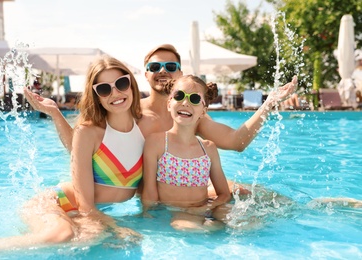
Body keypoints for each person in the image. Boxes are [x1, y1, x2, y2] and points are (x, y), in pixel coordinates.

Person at [23, 43, 297, 198]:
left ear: (180, 73)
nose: (162, 71)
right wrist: (57, 115)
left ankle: (316, 208)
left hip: (172, 191)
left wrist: (269, 104)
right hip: (131, 195)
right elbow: (81, 149)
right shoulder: (127, 110)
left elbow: (237, 142)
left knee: (251, 193)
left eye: (170, 67)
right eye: (154, 67)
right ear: (144, 75)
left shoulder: (190, 115)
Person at [0, 55, 143, 256]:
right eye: (104, 89)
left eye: (122, 83)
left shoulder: (145, 128)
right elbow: (85, 200)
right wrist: (116, 227)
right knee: (61, 236)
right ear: (96, 96)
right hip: (59, 202)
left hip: (87, 210)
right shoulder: (89, 132)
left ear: (131, 84)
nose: (115, 93)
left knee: (90, 238)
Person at [142, 75, 233, 232]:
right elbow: (150, 192)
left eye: (195, 99)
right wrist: (149, 219)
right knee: (187, 227)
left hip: (203, 209)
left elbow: (224, 194)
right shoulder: (156, 143)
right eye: (179, 96)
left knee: (248, 224)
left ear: (203, 111)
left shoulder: (208, 148)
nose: (185, 103)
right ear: (169, 103)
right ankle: (212, 227)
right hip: (175, 214)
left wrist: (207, 207)